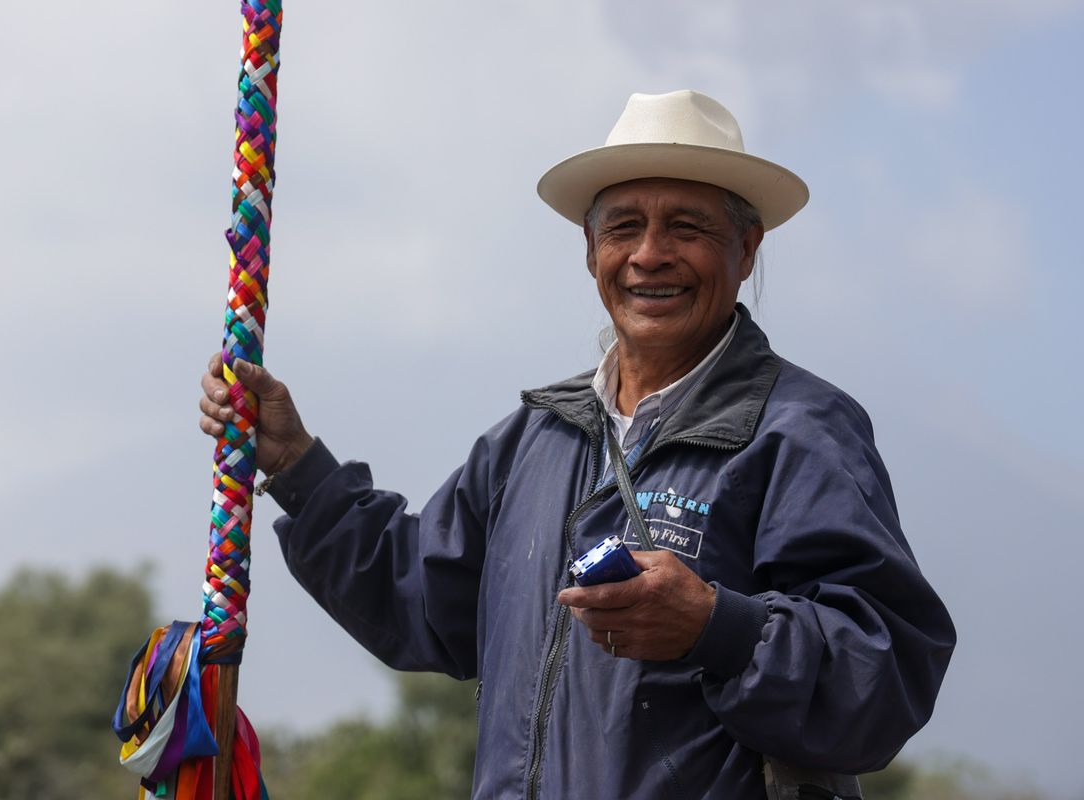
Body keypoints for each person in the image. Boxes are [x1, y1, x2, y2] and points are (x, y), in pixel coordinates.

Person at [199, 90, 955, 799]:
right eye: (624, 226)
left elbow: (883, 673)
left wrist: (715, 627)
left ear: (747, 249)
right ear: (590, 249)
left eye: (686, 228)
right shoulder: (536, 438)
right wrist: (296, 464)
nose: (650, 254)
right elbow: (421, 600)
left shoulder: (799, 431)